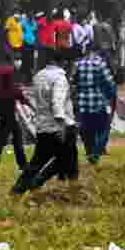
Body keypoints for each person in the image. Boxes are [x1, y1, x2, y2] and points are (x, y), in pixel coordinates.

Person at [12, 49, 79, 194]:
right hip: (61, 125)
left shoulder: (38, 76)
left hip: (42, 125)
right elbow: (57, 102)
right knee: (69, 159)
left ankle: (18, 188)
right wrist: (61, 126)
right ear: (62, 62)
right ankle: (73, 189)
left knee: (38, 161)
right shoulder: (60, 78)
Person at [73, 47, 117, 165]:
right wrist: (112, 96)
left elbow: (72, 82)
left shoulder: (78, 64)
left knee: (87, 131)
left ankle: (89, 153)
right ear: (94, 52)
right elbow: (109, 82)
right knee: (105, 129)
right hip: (98, 102)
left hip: (83, 103)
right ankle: (96, 153)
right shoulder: (100, 63)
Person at [0, 62, 29, 171]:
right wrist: (33, 107)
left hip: (2, 111)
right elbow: (22, 98)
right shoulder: (12, 84)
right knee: (7, 140)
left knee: (12, 138)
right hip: (9, 113)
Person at [20, 11, 38, 81]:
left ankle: (29, 78)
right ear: (27, 15)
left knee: (31, 61)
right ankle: (24, 78)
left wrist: (35, 42)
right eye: (29, 15)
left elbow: (35, 32)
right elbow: (21, 30)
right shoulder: (23, 22)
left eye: (32, 15)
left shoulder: (34, 22)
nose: (31, 16)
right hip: (25, 43)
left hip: (32, 44)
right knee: (25, 60)